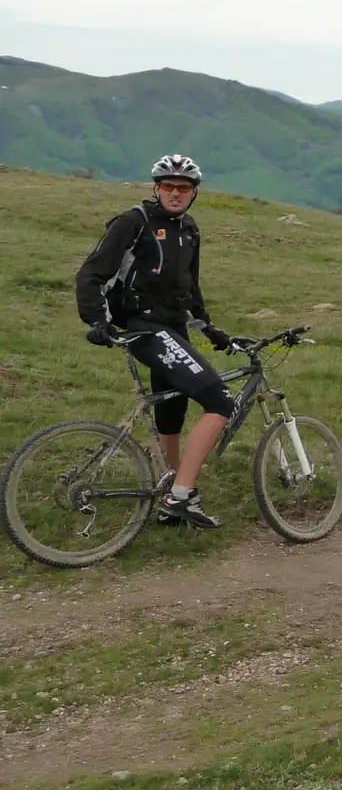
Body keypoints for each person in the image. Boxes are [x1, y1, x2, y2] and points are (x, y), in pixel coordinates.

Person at [74, 155, 237, 529]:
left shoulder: (189, 229)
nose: (176, 193)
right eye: (168, 186)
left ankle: (170, 497)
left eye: (184, 188)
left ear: (194, 193)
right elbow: (91, 274)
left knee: (171, 414)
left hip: (174, 329)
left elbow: (188, 288)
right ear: (156, 188)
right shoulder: (134, 222)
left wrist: (208, 328)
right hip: (144, 328)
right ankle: (182, 496)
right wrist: (97, 320)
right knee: (218, 400)